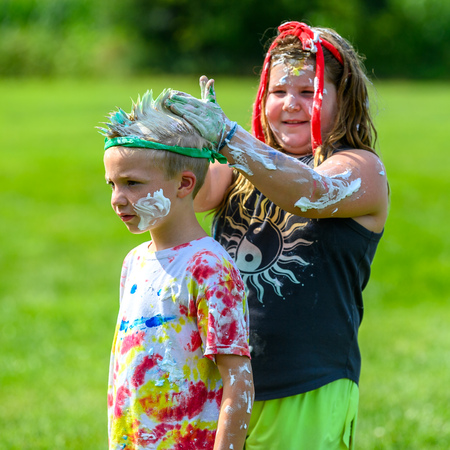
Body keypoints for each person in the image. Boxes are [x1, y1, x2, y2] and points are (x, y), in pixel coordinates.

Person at [165, 21, 389, 449]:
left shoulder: (361, 169)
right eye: (278, 91)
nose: (291, 104)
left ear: (345, 100)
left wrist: (230, 139)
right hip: (226, 380)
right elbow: (187, 194)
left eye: (309, 92)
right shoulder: (237, 166)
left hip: (307, 381)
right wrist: (185, 144)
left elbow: (310, 193)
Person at [99, 89, 254, 450]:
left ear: (184, 184)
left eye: (132, 184)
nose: (117, 198)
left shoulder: (209, 267)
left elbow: (238, 378)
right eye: (113, 184)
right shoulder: (134, 261)